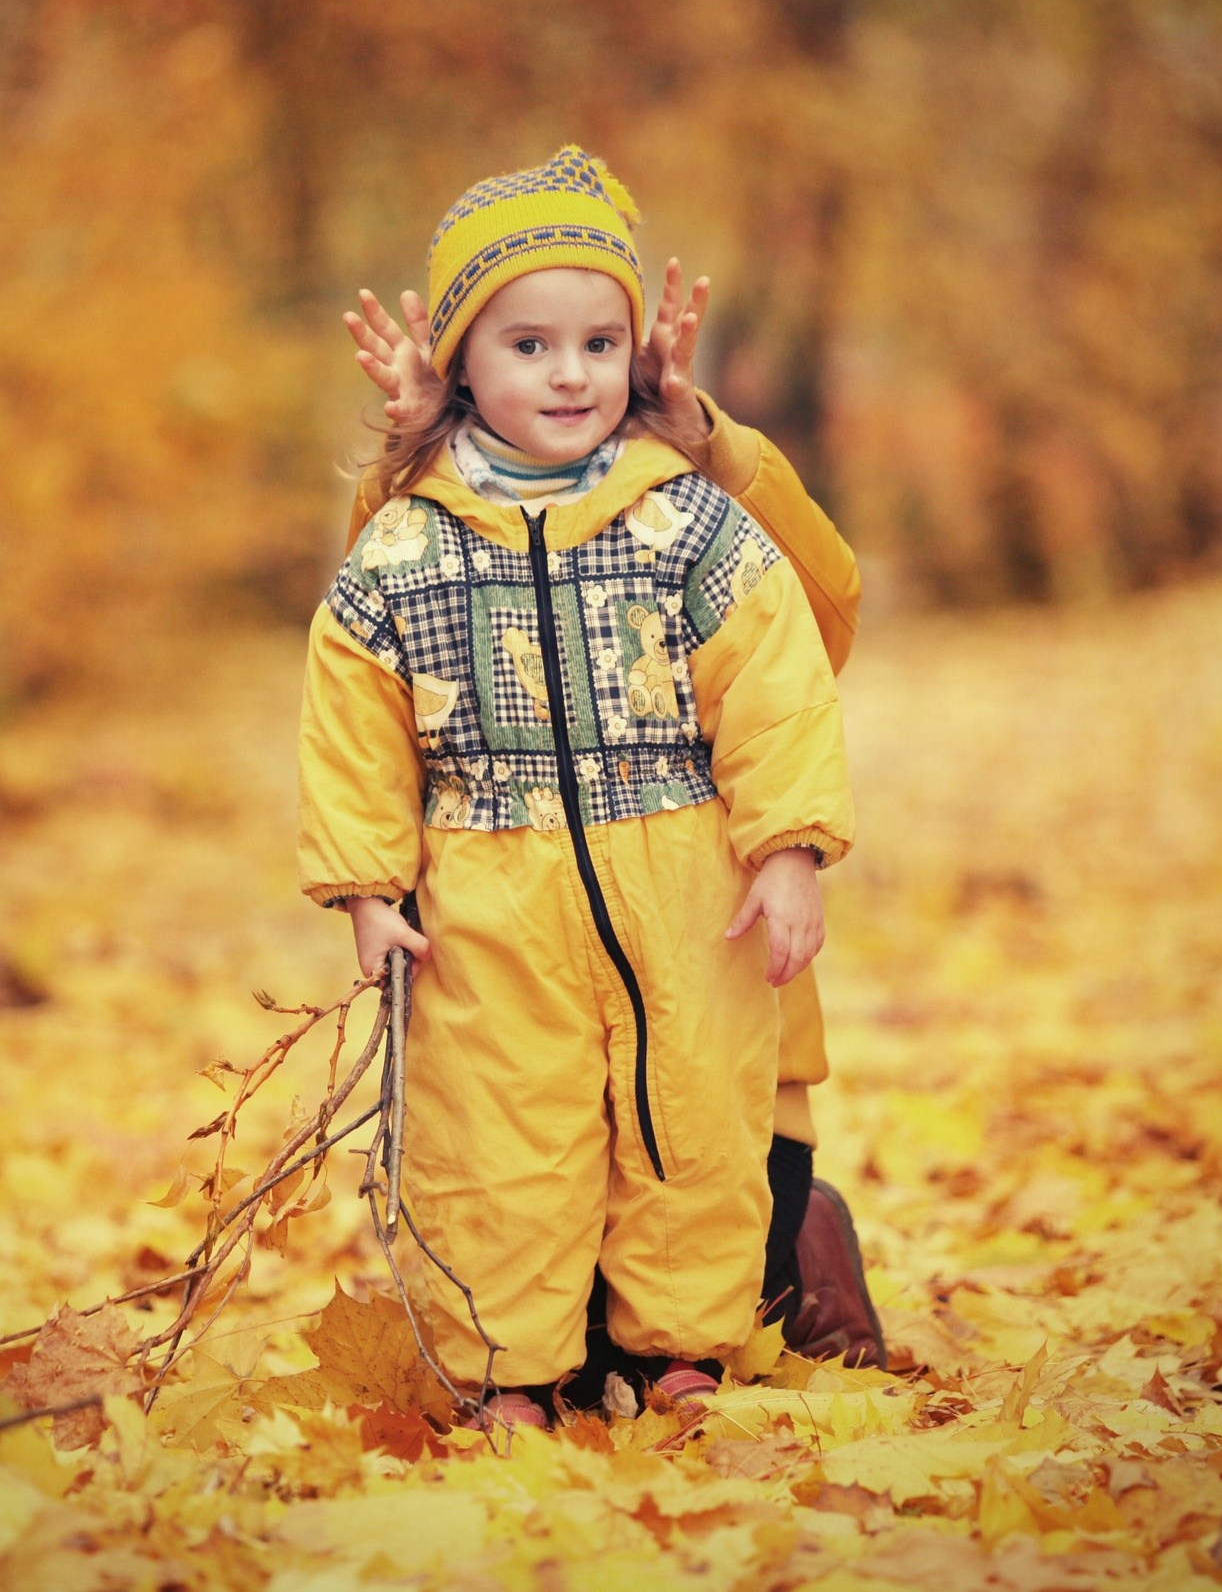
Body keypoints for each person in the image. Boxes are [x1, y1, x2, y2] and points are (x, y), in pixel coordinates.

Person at [297, 146, 855, 1427]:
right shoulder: (406, 540)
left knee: (690, 1119)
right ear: (458, 368)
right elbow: (354, 715)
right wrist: (367, 888)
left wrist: (786, 846)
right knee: (499, 1137)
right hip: (492, 891)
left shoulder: (684, 518)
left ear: (639, 359)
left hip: (680, 886)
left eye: (600, 344)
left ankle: (686, 1352)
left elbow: (775, 675)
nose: (569, 373)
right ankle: (514, 1374)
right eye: (531, 345)